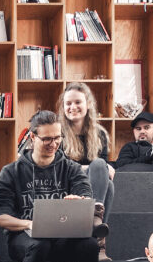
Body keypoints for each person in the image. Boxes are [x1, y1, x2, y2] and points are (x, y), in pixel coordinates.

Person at [0, 109, 102, 262]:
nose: (53, 143)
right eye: (47, 139)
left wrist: (79, 203)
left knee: (90, 245)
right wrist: (29, 224)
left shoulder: (71, 169)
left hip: (63, 241)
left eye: (57, 138)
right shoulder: (11, 172)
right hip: (26, 241)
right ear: (32, 137)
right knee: (39, 243)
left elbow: (86, 199)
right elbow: (1, 219)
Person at [17, 83, 115, 226]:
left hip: (88, 188)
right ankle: (97, 228)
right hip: (64, 184)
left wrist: (102, 167)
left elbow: (102, 166)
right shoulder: (57, 133)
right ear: (63, 107)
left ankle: (96, 221)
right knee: (101, 168)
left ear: (88, 104)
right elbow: (59, 165)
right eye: (68, 103)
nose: (72, 107)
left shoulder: (100, 134)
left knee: (107, 179)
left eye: (77, 102)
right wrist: (98, 168)